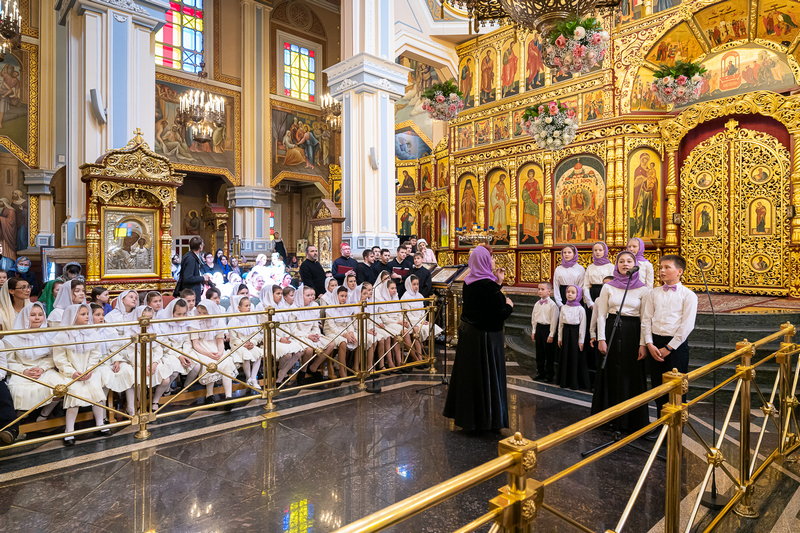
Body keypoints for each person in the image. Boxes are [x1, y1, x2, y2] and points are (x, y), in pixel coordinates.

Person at [444, 245, 513, 433]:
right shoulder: (488, 286)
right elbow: (499, 313)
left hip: (470, 337)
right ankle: (487, 420)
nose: (494, 261)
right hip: (486, 339)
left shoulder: (469, 281)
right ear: (484, 261)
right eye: (491, 258)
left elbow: (484, 303)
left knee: (471, 378)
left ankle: (470, 419)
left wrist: (498, 283)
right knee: (486, 379)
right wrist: (509, 305)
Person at [591, 251, 651, 433]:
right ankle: (609, 418)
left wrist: (642, 344)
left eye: (629, 261)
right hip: (612, 328)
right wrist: (601, 338)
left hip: (633, 331)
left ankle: (630, 420)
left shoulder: (643, 289)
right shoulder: (608, 287)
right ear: (616, 265)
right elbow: (601, 314)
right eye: (621, 261)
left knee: (630, 374)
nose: (625, 264)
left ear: (635, 264)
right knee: (611, 372)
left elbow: (645, 318)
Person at [641, 255, 697, 418]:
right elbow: (646, 319)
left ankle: (676, 426)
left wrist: (669, 348)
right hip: (655, 343)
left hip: (675, 346)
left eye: (667, 267)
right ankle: (661, 423)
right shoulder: (653, 293)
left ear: (679, 271)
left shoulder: (688, 295)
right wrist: (649, 343)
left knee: (676, 389)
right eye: (660, 267)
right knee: (658, 388)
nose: (662, 271)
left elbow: (687, 325)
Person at [52, 303, 108, 446]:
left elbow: (95, 354)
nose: (87, 317)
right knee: (75, 394)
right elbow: (60, 359)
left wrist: (89, 369)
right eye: (83, 314)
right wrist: (72, 373)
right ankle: (69, 430)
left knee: (96, 390)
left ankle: (100, 424)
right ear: (72, 316)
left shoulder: (91, 332)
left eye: (87, 314)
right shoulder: (62, 336)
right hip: (70, 373)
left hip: (89, 371)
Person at [5, 302, 61, 424]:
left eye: (40, 315)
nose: (37, 318)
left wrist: (42, 368)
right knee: (19, 390)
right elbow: (8, 361)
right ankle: (20, 418)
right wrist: (24, 371)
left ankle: (44, 415)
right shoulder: (12, 337)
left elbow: (52, 357)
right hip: (21, 370)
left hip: (43, 369)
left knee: (61, 386)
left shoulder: (49, 335)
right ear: (24, 317)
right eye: (33, 315)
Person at [189, 300, 236, 409]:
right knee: (210, 364)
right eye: (199, 312)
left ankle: (228, 396)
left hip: (215, 347)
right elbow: (195, 344)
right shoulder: (194, 322)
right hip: (201, 348)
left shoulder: (217, 322)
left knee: (226, 361)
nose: (201, 315)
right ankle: (209, 395)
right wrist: (208, 354)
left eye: (204, 313)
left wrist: (220, 352)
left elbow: (220, 341)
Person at [402, 275, 441, 361]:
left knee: (432, 327)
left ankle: (428, 356)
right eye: (414, 284)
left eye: (417, 284)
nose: (416, 286)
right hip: (411, 322)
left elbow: (423, 312)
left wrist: (423, 320)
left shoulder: (420, 296)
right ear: (409, 285)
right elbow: (407, 315)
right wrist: (420, 322)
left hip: (420, 321)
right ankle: (419, 358)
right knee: (418, 330)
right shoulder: (405, 297)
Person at [228, 295, 264, 390]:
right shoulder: (233, 321)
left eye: (249, 305)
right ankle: (248, 378)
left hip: (250, 344)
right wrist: (244, 344)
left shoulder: (252, 318)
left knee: (258, 353)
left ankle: (253, 378)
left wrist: (253, 342)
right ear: (239, 307)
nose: (248, 308)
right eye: (246, 306)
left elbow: (256, 334)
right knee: (246, 355)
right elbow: (234, 339)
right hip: (238, 345)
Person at [322, 287, 358, 379]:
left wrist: (351, 332)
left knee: (358, 338)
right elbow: (332, 327)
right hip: (331, 332)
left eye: (345, 296)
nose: (344, 298)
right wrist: (345, 334)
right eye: (342, 296)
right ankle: (342, 371)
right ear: (336, 295)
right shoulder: (330, 308)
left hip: (344, 330)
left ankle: (355, 366)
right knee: (343, 342)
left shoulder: (347, 307)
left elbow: (349, 323)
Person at [557, 286, 589, 390]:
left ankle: (574, 382)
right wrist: (560, 337)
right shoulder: (563, 307)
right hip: (566, 333)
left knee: (575, 357)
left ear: (578, 295)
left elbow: (583, 326)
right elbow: (560, 324)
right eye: (568, 292)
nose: (569, 294)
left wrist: (581, 340)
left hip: (575, 334)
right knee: (565, 356)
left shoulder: (580, 309)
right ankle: (564, 381)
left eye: (573, 292)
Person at [531, 282, 558, 383]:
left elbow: (554, 321)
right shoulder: (537, 304)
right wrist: (534, 331)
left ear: (549, 291)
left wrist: (551, 334)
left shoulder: (553, 305)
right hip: (539, 328)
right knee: (539, 352)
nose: (540, 291)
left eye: (542, 289)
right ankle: (540, 372)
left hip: (548, 329)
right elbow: (534, 318)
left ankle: (549, 374)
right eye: (539, 289)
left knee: (549, 353)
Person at [175, 236, 210, 301]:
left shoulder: (190, 255)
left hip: (191, 291)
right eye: (202, 244)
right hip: (190, 293)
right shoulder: (191, 259)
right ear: (200, 246)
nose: (203, 245)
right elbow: (188, 278)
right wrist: (202, 278)